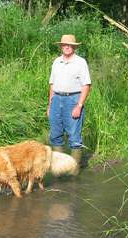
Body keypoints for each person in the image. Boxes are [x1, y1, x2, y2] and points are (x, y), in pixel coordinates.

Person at [47, 34, 91, 175]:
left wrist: (79, 105)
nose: (66, 47)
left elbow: (86, 85)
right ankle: (57, 171)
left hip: (73, 100)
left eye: (69, 45)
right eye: (64, 44)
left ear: (74, 47)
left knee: (74, 137)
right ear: (61, 46)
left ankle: (73, 173)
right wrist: (50, 105)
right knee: (55, 135)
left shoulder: (80, 62)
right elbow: (52, 84)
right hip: (56, 100)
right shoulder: (56, 62)